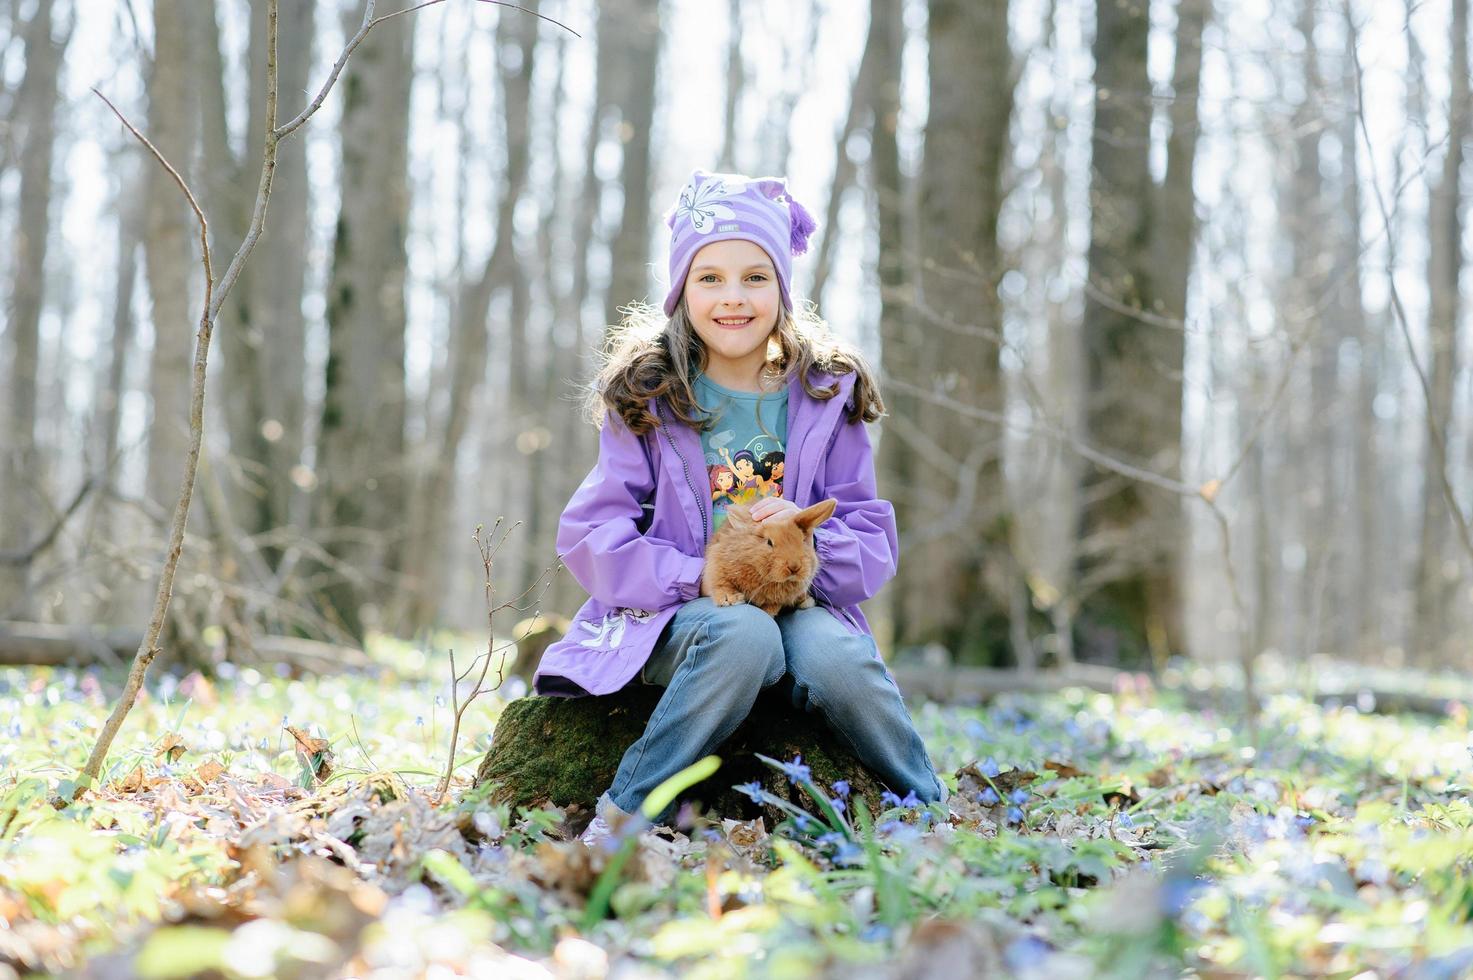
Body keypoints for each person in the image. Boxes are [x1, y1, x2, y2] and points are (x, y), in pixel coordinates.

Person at [530, 170, 947, 845]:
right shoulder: (649, 395)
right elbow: (591, 530)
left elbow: (867, 531)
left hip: (800, 609)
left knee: (839, 660)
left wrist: (807, 548)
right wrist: (694, 576)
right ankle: (623, 818)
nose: (733, 297)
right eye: (710, 278)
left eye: (756, 277)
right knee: (741, 635)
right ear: (680, 290)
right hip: (680, 614)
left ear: (783, 287)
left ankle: (927, 810)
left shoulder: (824, 393)